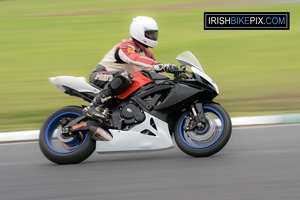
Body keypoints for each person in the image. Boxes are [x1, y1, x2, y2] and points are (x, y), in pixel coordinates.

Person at [83, 16, 177, 140]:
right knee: (125, 76)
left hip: (120, 85)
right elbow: (133, 58)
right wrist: (158, 65)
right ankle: (93, 106)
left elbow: (154, 73)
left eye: (154, 34)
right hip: (101, 76)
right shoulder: (127, 45)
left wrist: (172, 81)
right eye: (149, 34)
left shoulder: (147, 53)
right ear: (139, 32)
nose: (153, 37)